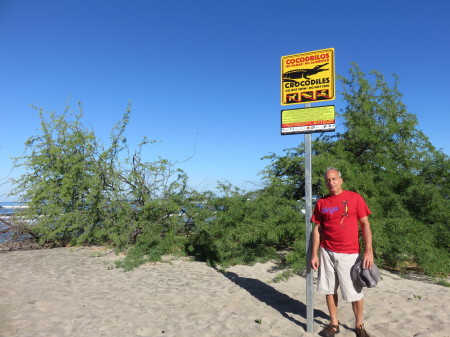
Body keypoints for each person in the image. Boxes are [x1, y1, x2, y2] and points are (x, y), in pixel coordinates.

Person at [310, 168, 374, 337]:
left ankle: (359, 326)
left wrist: (369, 251)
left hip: (350, 254)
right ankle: (334, 324)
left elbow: (365, 224)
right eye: (328, 180)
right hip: (326, 252)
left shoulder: (354, 198)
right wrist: (314, 254)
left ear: (341, 180)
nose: (331, 182)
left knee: (355, 292)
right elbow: (317, 229)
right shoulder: (321, 203)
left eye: (334, 179)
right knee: (329, 290)